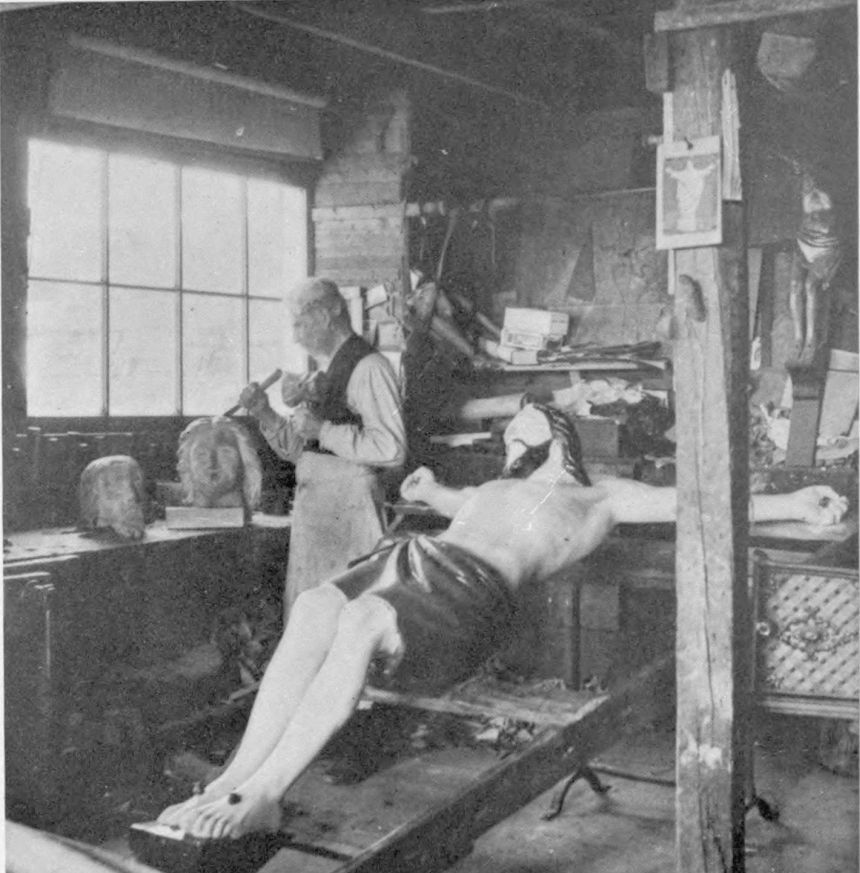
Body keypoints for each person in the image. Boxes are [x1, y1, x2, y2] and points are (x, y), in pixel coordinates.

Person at [158, 403, 848, 840]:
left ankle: (267, 793)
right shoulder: (494, 486)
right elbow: (452, 502)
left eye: (527, 422)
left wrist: (793, 505)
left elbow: (700, 502)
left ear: (559, 433)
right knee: (315, 606)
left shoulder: (601, 496)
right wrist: (429, 490)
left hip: (470, 593)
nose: (515, 431)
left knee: (363, 619)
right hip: (415, 556)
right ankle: (233, 779)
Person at [240, 278, 406, 613]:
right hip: (317, 511)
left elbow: (391, 448)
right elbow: (302, 452)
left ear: (326, 315)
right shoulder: (323, 373)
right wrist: (264, 412)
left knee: (348, 613)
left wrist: (323, 430)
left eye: (299, 323)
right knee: (310, 614)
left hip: (350, 510)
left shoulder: (370, 367)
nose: (295, 336)